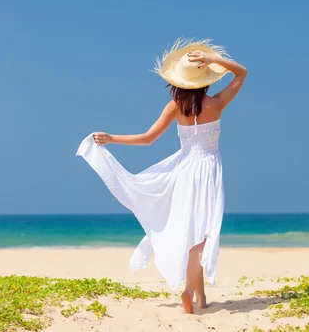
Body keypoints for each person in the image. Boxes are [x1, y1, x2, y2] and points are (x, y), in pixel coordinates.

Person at [76, 38, 247, 313]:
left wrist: (111, 138)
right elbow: (242, 72)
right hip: (208, 171)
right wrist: (213, 59)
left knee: (193, 231)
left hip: (183, 170)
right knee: (200, 236)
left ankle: (201, 298)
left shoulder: (175, 106)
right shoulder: (217, 103)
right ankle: (189, 291)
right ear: (205, 79)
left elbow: (148, 138)